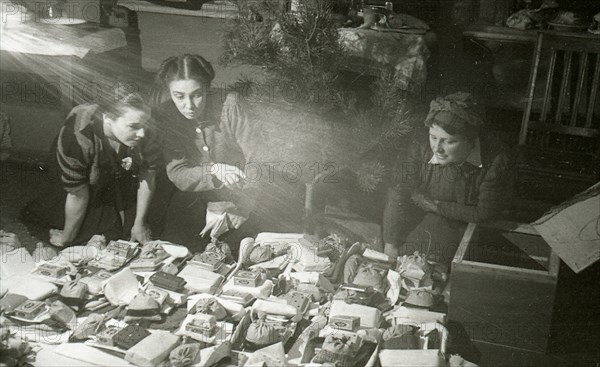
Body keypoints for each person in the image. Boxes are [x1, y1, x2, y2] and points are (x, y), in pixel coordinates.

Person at [382, 92, 514, 264]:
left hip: (469, 225)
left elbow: (483, 212)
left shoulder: (496, 162)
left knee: (437, 264)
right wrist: (391, 242)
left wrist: (436, 206)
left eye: (448, 142)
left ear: (469, 142)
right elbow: (398, 191)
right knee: (404, 258)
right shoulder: (419, 147)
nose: (437, 148)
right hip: (427, 214)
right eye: (433, 137)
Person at [23, 85, 160, 247]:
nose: (142, 133)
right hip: (82, 181)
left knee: (141, 228)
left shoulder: (144, 126)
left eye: (146, 124)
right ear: (108, 117)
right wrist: (67, 236)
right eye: (134, 127)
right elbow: (77, 193)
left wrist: (140, 222)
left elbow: (148, 173)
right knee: (92, 232)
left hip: (118, 172)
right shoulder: (77, 135)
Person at [151, 54, 262, 251]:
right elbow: (178, 173)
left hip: (242, 195)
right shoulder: (167, 115)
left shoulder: (230, 104)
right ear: (169, 91)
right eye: (179, 96)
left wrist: (247, 203)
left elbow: (259, 158)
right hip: (194, 200)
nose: (189, 105)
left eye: (196, 94)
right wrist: (213, 170)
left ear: (207, 88)